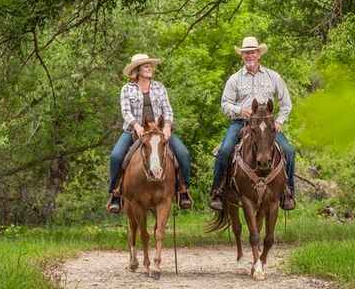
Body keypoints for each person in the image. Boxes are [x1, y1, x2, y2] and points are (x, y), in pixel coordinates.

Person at [209, 36, 297, 211]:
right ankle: (218, 190)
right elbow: (225, 103)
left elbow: (286, 102)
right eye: (246, 53)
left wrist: (279, 121)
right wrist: (239, 110)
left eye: (252, 52)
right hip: (241, 123)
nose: (249, 55)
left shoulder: (273, 76)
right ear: (242, 56)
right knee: (225, 150)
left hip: (267, 125)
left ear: (259, 54)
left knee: (288, 150)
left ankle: (288, 192)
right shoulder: (234, 79)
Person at [107, 53, 193, 213]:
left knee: (183, 153)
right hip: (135, 130)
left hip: (159, 132)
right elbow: (125, 111)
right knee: (116, 156)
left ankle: (183, 190)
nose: (150, 68)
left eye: (150, 65)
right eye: (146, 66)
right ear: (137, 70)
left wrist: (167, 126)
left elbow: (168, 109)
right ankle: (115, 193)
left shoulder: (159, 87)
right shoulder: (127, 89)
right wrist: (136, 126)